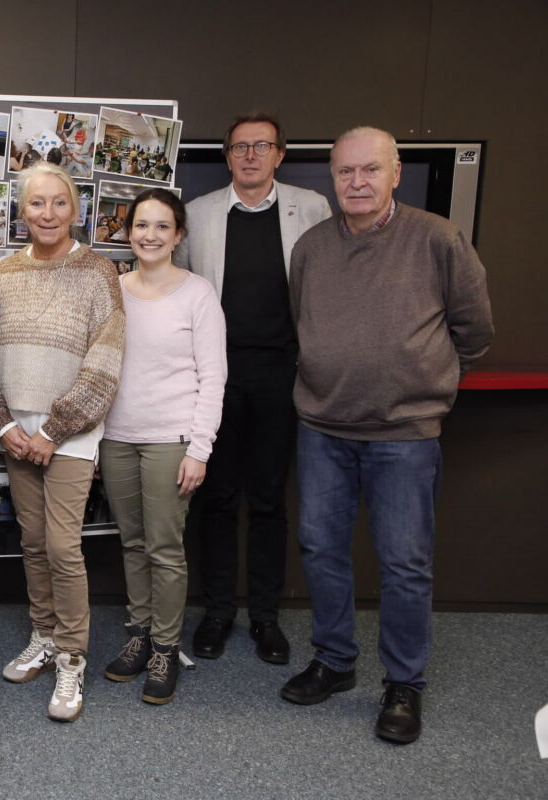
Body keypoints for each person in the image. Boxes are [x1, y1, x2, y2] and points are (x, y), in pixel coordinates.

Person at [279, 127, 492, 744]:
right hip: (322, 425)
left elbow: (474, 329)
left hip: (405, 431)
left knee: (404, 564)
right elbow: (304, 322)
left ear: (395, 173)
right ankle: (336, 662)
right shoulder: (312, 247)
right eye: (345, 172)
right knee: (320, 548)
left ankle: (404, 684)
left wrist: (426, 376)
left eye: (371, 170)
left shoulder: (438, 238)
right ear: (333, 178)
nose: (357, 183)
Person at [175, 112, 331, 665]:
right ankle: (218, 612)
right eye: (240, 147)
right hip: (216, 376)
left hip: (282, 375)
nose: (249, 155)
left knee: (268, 500)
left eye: (261, 146)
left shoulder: (311, 209)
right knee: (216, 498)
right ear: (227, 156)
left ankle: (265, 616)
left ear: (279, 155)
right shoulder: (198, 214)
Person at [0, 162, 124, 722]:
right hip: (17, 434)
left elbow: (106, 362)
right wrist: (5, 425)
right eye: (36, 203)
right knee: (34, 542)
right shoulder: (4, 274)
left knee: (64, 548)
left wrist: (53, 430)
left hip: (71, 433)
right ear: (21, 212)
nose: (48, 213)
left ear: (76, 209)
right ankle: (42, 635)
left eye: (59, 203)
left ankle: (71, 656)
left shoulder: (98, 273)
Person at [99, 189, 226, 704]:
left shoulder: (197, 294)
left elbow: (214, 377)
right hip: (116, 438)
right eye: (140, 226)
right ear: (128, 232)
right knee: (131, 543)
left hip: (172, 441)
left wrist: (200, 449)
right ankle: (139, 634)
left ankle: (165, 648)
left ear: (178, 235)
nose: (149, 235)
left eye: (161, 227)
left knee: (164, 549)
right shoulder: (113, 289)